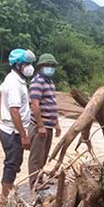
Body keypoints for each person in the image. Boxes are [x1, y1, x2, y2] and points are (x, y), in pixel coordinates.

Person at [0, 48, 36, 201]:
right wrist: (24, 135)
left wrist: (1, 112)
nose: (30, 67)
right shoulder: (13, 83)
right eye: (27, 64)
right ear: (18, 65)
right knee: (12, 164)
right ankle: (3, 199)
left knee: (13, 163)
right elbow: (14, 111)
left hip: (10, 128)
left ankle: (6, 193)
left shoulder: (14, 80)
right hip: (12, 131)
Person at [28, 53, 62, 188]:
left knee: (43, 155)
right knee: (36, 157)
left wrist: (56, 124)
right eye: (48, 65)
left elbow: (52, 104)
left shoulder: (50, 82)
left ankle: (40, 180)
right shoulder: (37, 82)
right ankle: (34, 183)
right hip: (39, 127)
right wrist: (40, 126)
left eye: (52, 66)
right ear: (41, 67)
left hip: (48, 126)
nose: (50, 68)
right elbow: (35, 105)